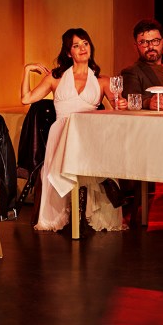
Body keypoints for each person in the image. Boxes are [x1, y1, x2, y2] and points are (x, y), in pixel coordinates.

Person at [21, 28, 129, 232]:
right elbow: (26, 99)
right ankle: (65, 215)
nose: (82, 48)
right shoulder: (56, 78)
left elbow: (119, 107)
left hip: (89, 134)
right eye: (76, 45)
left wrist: (122, 103)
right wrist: (27, 70)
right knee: (61, 167)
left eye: (85, 44)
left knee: (93, 163)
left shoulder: (103, 80)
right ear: (68, 52)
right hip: (62, 133)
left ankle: (89, 213)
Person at [120, 19, 163, 108]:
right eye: (144, 42)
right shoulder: (131, 72)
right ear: (136, 46)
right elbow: (132, 99)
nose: (150, 46)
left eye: (155, 40)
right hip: (161, 116)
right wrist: (149, 102)